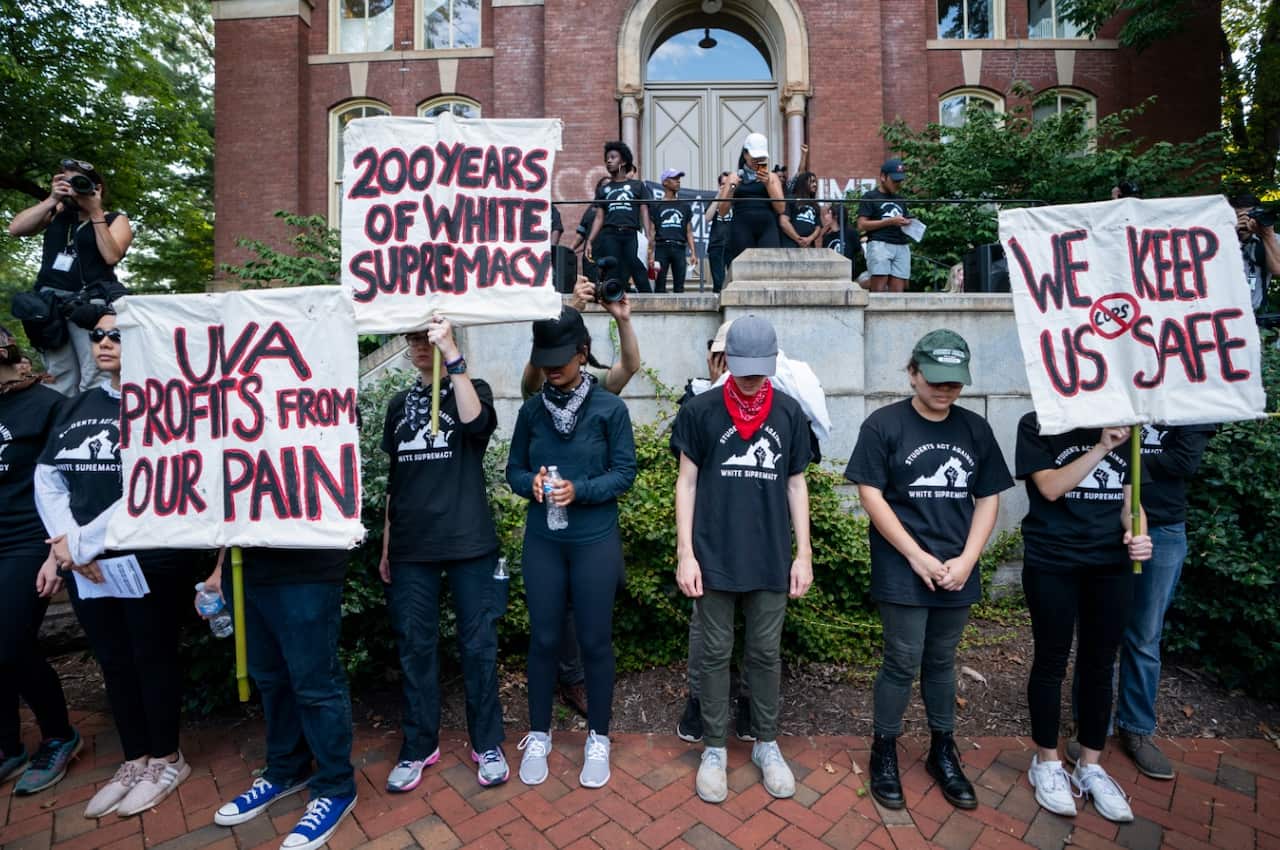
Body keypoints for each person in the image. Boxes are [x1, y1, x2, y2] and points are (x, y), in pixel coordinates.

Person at [844, 330, 1013, 811]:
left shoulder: (974, 429)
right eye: (936, 381)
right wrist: (916, 556)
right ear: (913, 373)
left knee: (942, 660)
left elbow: (988, 496)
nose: (945, 391)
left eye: (954, 384)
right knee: (901, 658)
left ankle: (943, 749)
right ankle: (884, 750)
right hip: (903, 566)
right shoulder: (884, 425)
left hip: (957, 567)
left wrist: (968, 559)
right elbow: (871, 495)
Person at [34, 312, 191, 818]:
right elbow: (48, 476)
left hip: (146, 559)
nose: (102, 342)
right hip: (85, 566)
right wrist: (68, 546)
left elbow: (156, 484)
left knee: (153, 656)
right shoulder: (78, 404)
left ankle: (167, 757)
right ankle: (135, 757)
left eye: (116, 335)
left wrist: (83, 544)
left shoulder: (164, 405)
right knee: (115, 661)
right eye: (98, 335)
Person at [671, 316, 814, 804]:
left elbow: (797, 483)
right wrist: (685, 552)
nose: (751, 377)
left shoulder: (790, 414)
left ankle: (765, 743)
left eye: (760, 368)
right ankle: (713, 748)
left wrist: (805, 553)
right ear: (726, 360)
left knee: (765, 653)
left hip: (771, 555)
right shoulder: (703, 410)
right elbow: (686, 483)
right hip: (713, 555)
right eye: (742, 366)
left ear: (773, 363)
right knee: (712, 654)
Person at [506, 307, 637, 789]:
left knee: (595, 642)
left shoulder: (609, 408)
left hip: (594, 542)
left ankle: (598, 736)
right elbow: (512, 470)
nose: (552, 367)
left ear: (583, 353)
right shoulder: (531, 410)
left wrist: (579, 490)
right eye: (545, 359)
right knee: (542, 640)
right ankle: (538, 733)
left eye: (561, 357)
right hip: (543, 541)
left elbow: (624, 473)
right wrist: (532, 483)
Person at [378, 316, 509, 791]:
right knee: (415, 648)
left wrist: (452, 354)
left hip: (468, 542)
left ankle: (487, 742)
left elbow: (477, 425)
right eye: (410, 335)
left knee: (478, 647)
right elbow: (395, 482)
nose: (416, 344)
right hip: (413, 547)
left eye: (423, 335)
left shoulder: (472, 389)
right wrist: (388, 545)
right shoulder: (397, 405)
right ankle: (418, 746)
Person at [1015, 414, 1152, 823]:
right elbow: (1051, 487)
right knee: (1051, 660)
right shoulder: (1037, 424)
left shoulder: (1127, 429)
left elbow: (1132, 502)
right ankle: (1047, 763)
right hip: (1052, 560)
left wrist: (1139, 533)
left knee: (1099, 663)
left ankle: (1091, 765)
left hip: (1110, 565)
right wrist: (1101, 447)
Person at [1064, 423, 1215, 780]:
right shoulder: (1111, 387)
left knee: (1145, 635)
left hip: (1161, 528)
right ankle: (1089, 724)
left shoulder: (1184, 394)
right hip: (1101, 520)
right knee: (1095, 632)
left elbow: (1184, 460)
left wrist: (1120, 456)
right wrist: (1104, 451)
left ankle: (1137, 727)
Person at [202, 545, 357, 850]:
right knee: (271, 679)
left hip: (307, 567)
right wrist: (221, 565)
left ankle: (336, 786)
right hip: (245, 568)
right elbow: (233, 501)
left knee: (316, 684)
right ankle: (287, 769)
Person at [0, 327, 79, 796]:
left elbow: (63, 480)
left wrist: (57, 546)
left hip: (28, 539)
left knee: (9, 643)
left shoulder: (47, 406)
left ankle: (59, 734)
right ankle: (8, 745)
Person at [674, 323, 755, 745]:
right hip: (709, 533)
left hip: (755, 531)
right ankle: (698, 699)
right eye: (720, 354)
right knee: (705, 628)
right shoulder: (698, 399)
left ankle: (745, 699)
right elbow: (684, 465)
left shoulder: (771, 399)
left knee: (755, 626)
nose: (726, 365)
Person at [8, 159, 132, 396]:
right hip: (50, 307)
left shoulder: (114, 219)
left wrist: (95, 211)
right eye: (66, 182)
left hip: (89, 306)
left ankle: (92, 421)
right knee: (59, 375)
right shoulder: (55, 213)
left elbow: (111, 256)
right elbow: (15, 229)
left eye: (79, 182)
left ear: (98, 188)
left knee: (95, 373)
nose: (73, 188)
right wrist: (52, 198)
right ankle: (60, 427)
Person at [585, 142, 655, 293]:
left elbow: (644, 210)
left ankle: (649, 299)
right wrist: (590, 240)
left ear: (623, 162)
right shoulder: (604, 189)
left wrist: (649, 236)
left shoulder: (637, 186)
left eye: (613, 157)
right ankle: (614, 299)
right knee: (613, 268)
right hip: (610, 234)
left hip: (631, 233)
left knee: (635, 264)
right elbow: (599, 217)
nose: (608, 161)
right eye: (606, 159)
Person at [719, 133, 786, 265]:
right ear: (745, 154)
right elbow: (722, 211)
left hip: (767, 226)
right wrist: (732, 187)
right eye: (754, 157)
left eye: (761, 157)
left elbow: (781, 208)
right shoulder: (734, 176)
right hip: (741, 226)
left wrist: (767, 184)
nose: (757, 160)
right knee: (743, 268)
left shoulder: (772, 177)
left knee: (771, 267)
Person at [858, 159, 913, 293]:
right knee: (879, 288)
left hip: (901, 244)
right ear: (883, 177)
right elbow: (861, 225)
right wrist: (890, 221)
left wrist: (909, 223)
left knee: (899, 289)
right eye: (894, 180)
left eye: (900, 181)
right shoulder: (870, 196)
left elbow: (904, 219)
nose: (898, 184)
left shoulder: (900, 199)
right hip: (879, 243)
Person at [1230, 194, 1280, 312]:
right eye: (1241, 216)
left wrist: (1267, 235)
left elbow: (1278, 270)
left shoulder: (1272, 239)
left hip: (1255, 315)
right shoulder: (1218, 242)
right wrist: (1231, 234)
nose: (1247, 220)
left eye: (1251, 215)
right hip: (1223, 316)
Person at [652, 169, 697, 293]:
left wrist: (693, 252)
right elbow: (651, 231)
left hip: (679, 248)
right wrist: (650, 254)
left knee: (679, 286)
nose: (678, 181)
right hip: (661, 247)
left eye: (679, 179)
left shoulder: (684, 206)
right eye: (674, 179)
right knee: (659, 286)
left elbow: (689, 231)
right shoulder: (656, 205)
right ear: (665, 182)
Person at [704, 172, 734, 293]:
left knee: (734, 280)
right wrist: (718, 196)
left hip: (733, 245)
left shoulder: (736, 201)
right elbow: (707, 218)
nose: (725, 186)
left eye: (728, 184)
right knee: (718, 281)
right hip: (716, 244)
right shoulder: (714, 200)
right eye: (722, 184)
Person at [780, 172, 822, 248]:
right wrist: (798, 240)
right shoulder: (791, 199)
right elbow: (784, 222)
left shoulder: (815, 205)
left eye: (815, 182)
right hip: (791, 245)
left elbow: (818, 227)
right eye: (812, 182)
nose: (815, 185)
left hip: (809, 247)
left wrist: (810, 239)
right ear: (803, 183)